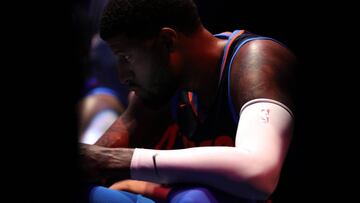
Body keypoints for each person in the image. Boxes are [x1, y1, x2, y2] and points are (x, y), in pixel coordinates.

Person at [80, 0, 296, 202]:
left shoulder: (255, 62)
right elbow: (94, 161)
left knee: (195, 198)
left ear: (167, 41)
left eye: (126, 58)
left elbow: (259, 172)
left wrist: (124, 163)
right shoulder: (162, 85)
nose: (122, 76)